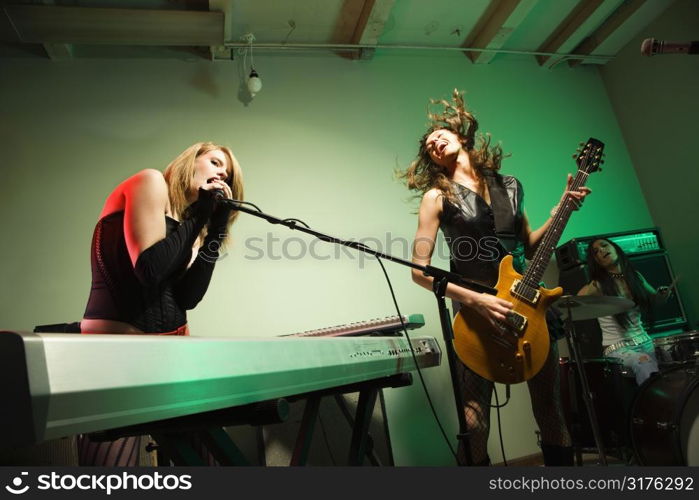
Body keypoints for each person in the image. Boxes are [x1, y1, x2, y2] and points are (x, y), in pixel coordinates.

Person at [401, 89, 590, 466]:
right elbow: (419, 272)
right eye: (428, 146)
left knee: (550, 408)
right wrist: (476, 300)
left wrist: (561, 210)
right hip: (477, 316)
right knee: (474, 419)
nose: (434, 141)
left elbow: (530, 247)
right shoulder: (436, 196)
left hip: (531, 310)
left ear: (462, 137)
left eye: (440, 134)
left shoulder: (511, 186)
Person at [78, 141, 244, 465]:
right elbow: (149, 270)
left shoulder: (188, 227)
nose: (222, 173)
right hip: (116, 355)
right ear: (190, 161)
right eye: (214, 162)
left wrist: (215, 230)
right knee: (109, 474)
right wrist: (199, 218)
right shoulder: (150, 182)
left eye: (228, 173)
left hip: (172, 358)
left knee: (209, 459)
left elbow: (188, 298)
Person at [577, 238, 671, 385]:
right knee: (644, 362)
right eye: (596, 252)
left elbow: (656, 300)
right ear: (596, 261)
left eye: (604, 245)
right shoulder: (598, 284)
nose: (601, 250)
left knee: (670, 355)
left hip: (645, 340)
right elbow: (575, 302)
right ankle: (655, 406)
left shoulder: (635, 276)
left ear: (615, 248)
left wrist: (662, 295)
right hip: (618, 347)